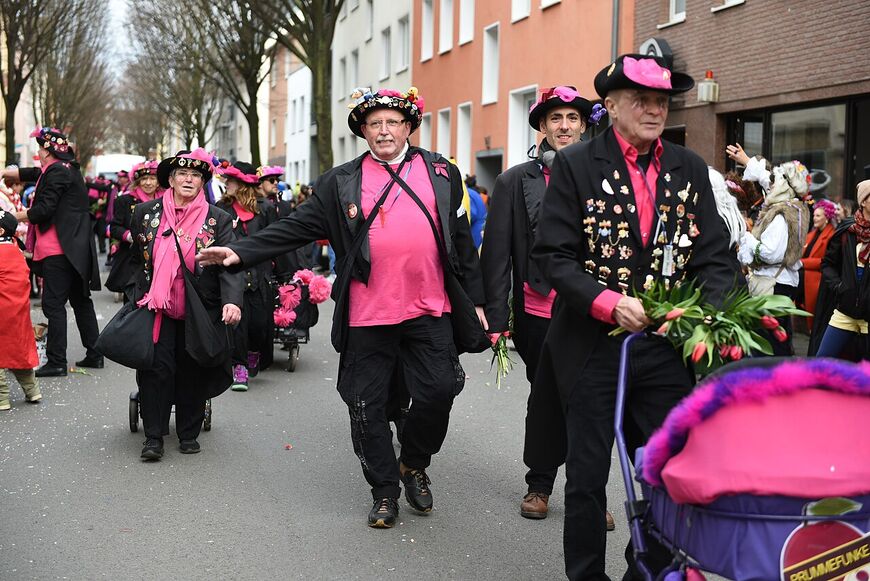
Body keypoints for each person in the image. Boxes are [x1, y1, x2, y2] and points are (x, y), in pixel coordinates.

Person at [197, 86, 486, 528]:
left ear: (408, 127)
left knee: (440, 389)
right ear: (364, 131)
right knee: (366, 405)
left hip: (430, 308)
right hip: (368, 314)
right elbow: (295, 227)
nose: (384, 130)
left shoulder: (443, 173)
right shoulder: (341, 181)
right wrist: (240, 253)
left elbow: (461, 241)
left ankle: (413, 461)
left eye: (392, 122)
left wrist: (481, 302)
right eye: (375, 123)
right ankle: (385, 490)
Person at [530, 54, 735, 580]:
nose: (653, 110)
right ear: (612, 106)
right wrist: (607, 301)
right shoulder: (577, 164)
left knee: (667, 470)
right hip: (591, 345)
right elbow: (554, 257)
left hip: (664, 347)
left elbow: (714, 255)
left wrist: (699, 315)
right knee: (586, 477)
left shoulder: (688, 167)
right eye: (641, 100)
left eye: (662, 102)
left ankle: (647, 572)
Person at [480, 85, 609, 524]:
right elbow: (497, 255)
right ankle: (539, 484)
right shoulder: (515, 180)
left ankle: (589, 493)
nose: (564, 126)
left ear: (584, 125)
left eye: (573, 118)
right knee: (547, 397)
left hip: (593, 310)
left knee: (590, 400)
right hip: (538, 312)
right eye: (556, 118)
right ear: (542, 126)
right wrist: (496, 318)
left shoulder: (604, 177)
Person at [129, 149, 242, 460]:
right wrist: (135, 296)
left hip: (200, 308)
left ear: (203, 181)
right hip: (157, 309)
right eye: (182, 174)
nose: (189, 179)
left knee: (192, 367)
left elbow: (230, 264)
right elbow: (136, 262)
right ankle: (153, 437)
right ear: (171, 180)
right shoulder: (146, 214)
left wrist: (232, 301)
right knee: (156, 369)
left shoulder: (218, 220)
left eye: (196, 175)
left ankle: (188, 432)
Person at [1, 128, 102, 378]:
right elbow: (36, 173)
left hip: (59, 249)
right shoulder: (66, 169)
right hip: (75, 248)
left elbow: (44, 209)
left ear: (46, 150)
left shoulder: (56, 171)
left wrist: (11, 216)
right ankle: (95, 353)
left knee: (53, 304)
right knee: (80, 301)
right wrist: (8, 172)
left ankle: (57, 361)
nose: (38, 153)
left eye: (40, 149)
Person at [735, 159, 810, 356]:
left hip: (774, 284)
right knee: (778, 341)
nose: (772, 183)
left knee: (768, 345)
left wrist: (747, 237)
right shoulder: (794, 207)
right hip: (780, 283)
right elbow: (767, 180)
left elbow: (769, 253)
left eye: (776, 179)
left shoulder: (782, 215)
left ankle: (771, 383)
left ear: (785, 184)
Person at [215, 161, 279, 390]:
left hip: (260, 276)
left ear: (241, 183)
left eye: (229, 180)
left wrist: (287, 275)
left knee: (260, 326)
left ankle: (253, 352)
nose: (226, 183)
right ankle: (239, 368)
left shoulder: (266, 209)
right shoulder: (221, 208)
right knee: (236, 326)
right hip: (233, 276)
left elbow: (277, 242)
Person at [812, 180, 870, 359]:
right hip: (845, 310)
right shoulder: (847, 230)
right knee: (822, 361)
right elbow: (828, 264)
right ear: (863, 201)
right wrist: (839, 287)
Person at [0, 210, 41, 410]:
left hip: (2, 310)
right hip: (18, 309)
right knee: (19, 352)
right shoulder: (16, 249)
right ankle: (32, 391)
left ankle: (2, 399)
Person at [105, 161, 161, 298]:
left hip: (158, 260)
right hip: (132, 260)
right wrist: (129, 236)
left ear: (158, 182)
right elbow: (114, 227)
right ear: (137, 182)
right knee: (132, 303)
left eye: (152, 179)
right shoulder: (125, 201)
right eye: (144, 179)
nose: (148, 183)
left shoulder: (166, 201)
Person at [800, 199, 837, 332]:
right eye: (814, 215)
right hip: (804, 276)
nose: (814, 218)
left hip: (817, 278)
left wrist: (802, 263)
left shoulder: (831, 235)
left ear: (826, 218)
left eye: (818, 216)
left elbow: (824, 261)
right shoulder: (811, 234)